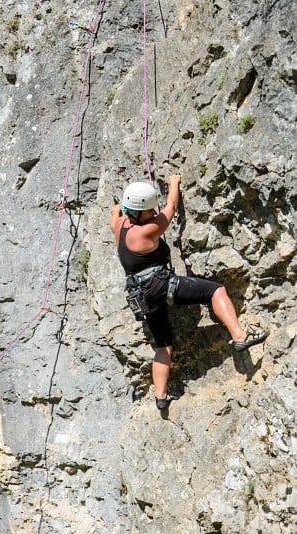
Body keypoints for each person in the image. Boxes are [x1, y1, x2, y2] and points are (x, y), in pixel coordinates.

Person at [110, 175, 268, 410]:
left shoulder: (119, 224)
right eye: (149, 211)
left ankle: (161, 397)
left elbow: (115, 210)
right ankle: (239, 337)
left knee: (163, 344)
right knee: (215, 291)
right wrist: (173, 183)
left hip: (141, 294)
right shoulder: (146, 232)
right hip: (160, 285)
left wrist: (130, 202)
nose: (153, 213)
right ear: (139, 212)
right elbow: (171, 207)